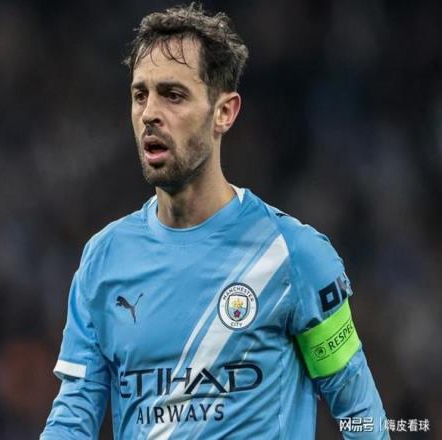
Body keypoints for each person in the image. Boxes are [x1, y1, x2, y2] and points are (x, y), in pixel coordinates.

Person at [41, 3, 388, 439]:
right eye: (140, 95)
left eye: (173, 95)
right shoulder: (104, 259)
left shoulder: (293, 254)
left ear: (224, 112)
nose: (149, 113)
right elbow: (73, 417)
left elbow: (361, 413)